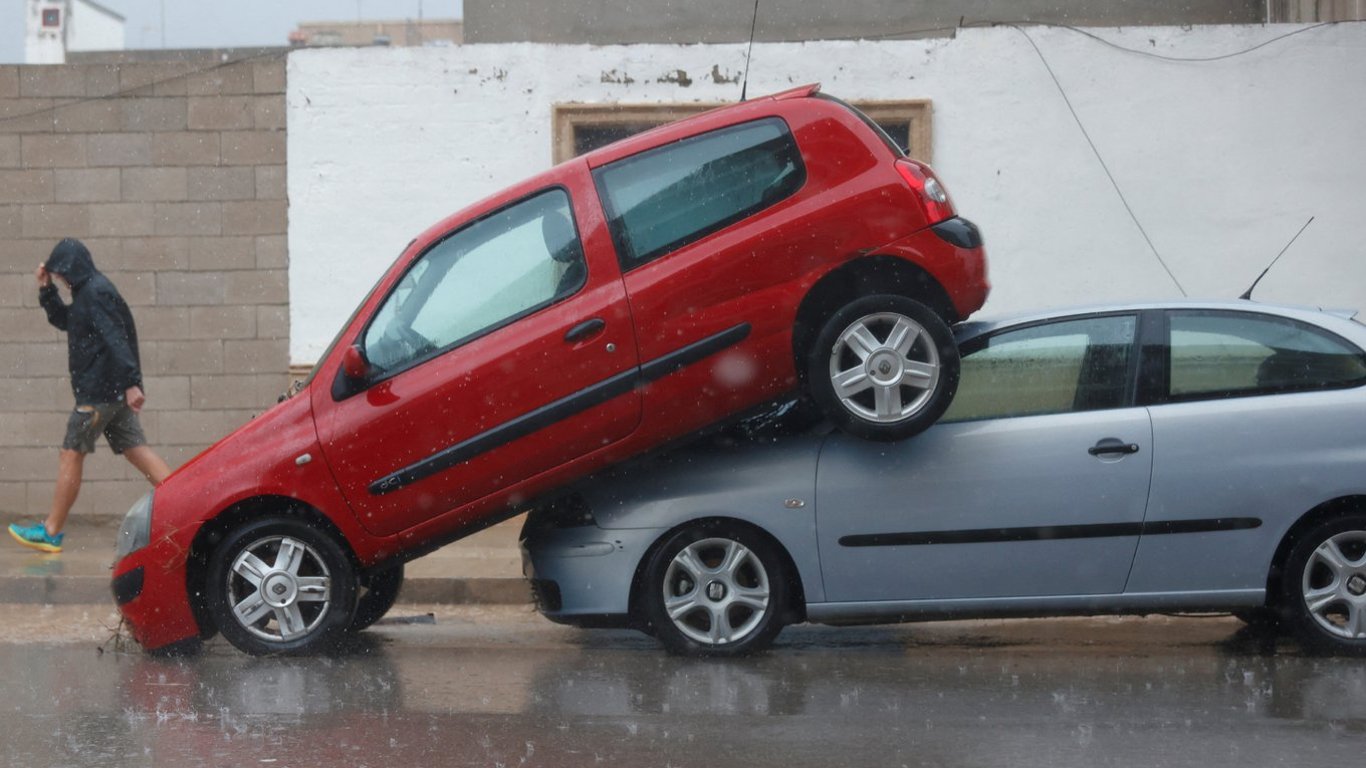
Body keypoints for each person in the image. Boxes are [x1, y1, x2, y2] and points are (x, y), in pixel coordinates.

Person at [8, 239, 171, 554]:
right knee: (137, 450)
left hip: (98, 395)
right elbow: (66, 321)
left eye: (59, 275)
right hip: (110, 393)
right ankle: (189, 506)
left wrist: (132, 383)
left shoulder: (95, 292)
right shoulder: (89, 292)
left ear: (71, 268)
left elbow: (116, 337)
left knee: (71, 454)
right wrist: (46, 290)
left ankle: (51, 531)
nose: (59, 279)